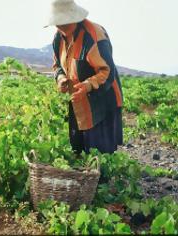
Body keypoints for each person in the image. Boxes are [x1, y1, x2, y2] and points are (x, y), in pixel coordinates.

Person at [46, 0, 124, 154]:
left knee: (101, 151)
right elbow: (57, 66)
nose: (61, 27)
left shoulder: (94, 35)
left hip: (102, 99)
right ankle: (85, 177)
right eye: (58, 23)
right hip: (78, 100)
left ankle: (102, 177)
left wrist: (88, 85)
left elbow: (107, 72)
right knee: (79, 149)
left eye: (65, 23)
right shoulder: (58, 38)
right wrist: (61, 79)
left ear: (74, 18)